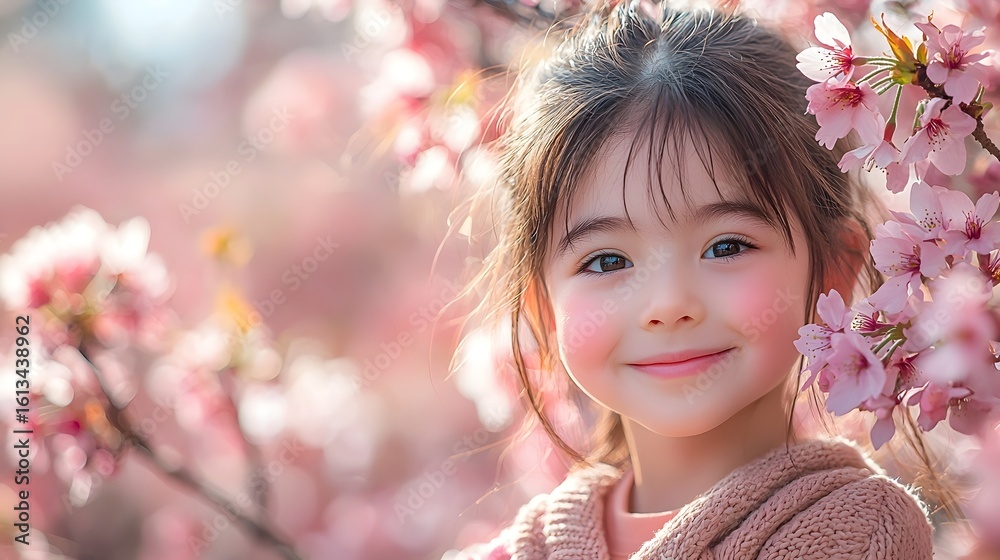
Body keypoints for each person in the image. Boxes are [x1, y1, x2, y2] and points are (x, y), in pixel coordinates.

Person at [449, 1, 943, 558]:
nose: (667, 304)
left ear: (835, 269)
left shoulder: (856, 533)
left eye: (726, 246)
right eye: (607, 261)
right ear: (542, 306)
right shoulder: (523, 549)